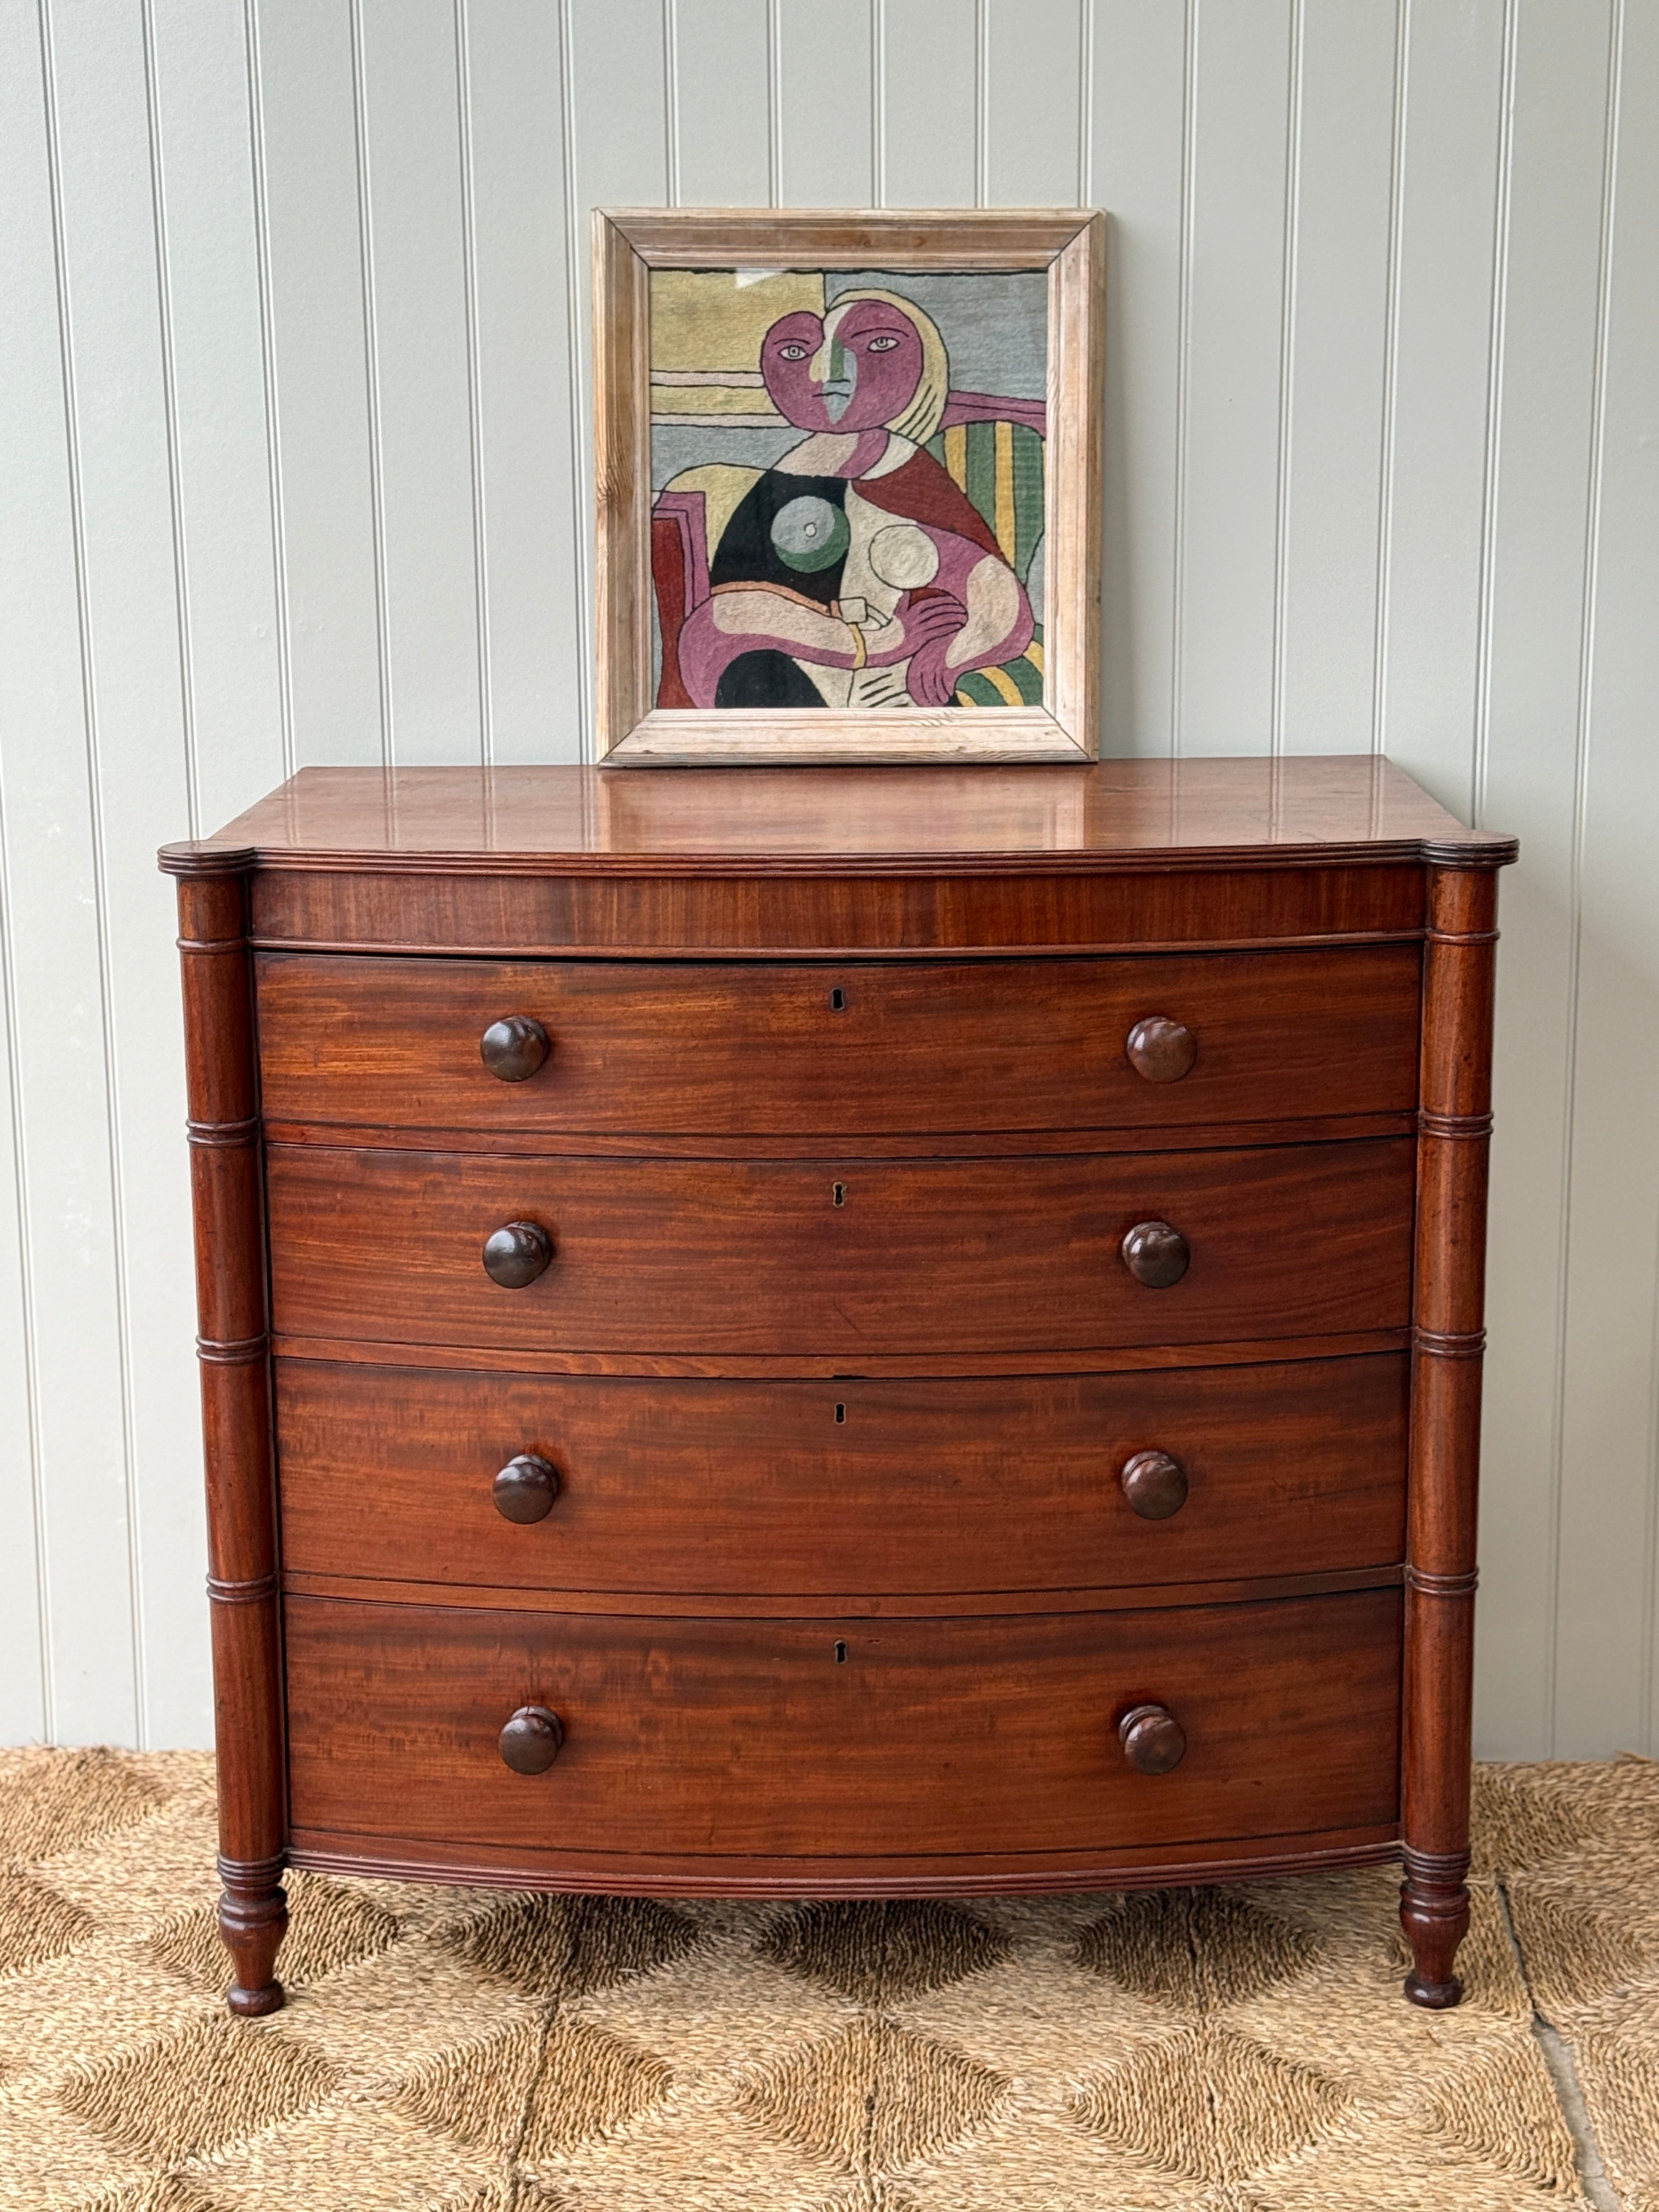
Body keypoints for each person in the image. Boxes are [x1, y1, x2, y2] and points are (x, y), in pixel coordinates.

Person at [669, 291, 1034, 710]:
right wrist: (876, 643)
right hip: (790, 680)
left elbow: (999, 601)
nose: (830, 375)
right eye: (796, 352)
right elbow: (726, 618)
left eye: (879, 345)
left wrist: (949, 658)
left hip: (891, 691)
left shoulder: (907, 475)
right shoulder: (787, 479)